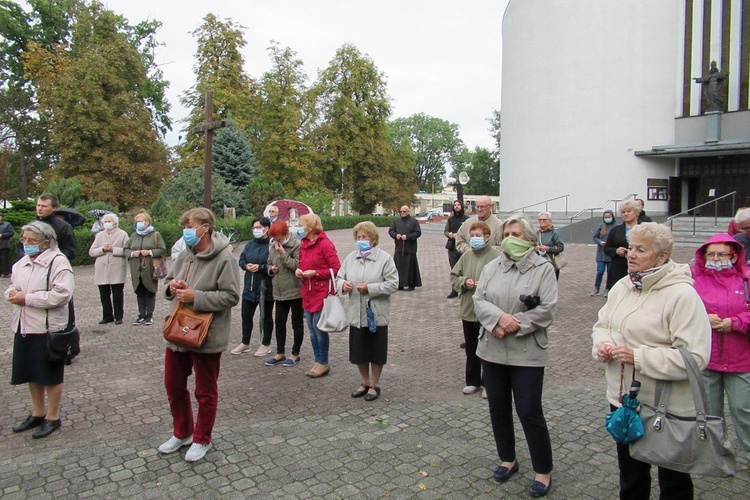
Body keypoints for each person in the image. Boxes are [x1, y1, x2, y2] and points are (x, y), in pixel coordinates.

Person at [592, 223, 711, 499]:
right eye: (631, 247)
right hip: (625, 401)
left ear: (662, 257)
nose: (631, 254)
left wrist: (638, 356)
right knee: (631, 474)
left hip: (666, 407)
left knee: (673, 479)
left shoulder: (682, 295)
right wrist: (602, 345)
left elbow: (695, 357)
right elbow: (603, 324)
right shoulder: (623, 285)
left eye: (640, 250)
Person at [473, 214, 557, 498]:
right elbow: (479, 300)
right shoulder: (493, 266)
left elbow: (547, 309)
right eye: (507, 234)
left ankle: (543, 470)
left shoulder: (543, 268)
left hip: (527, 352)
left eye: (517, 234)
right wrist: (497, 320)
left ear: (531, 240)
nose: (510, 239)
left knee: (529, 411)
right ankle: (507, 459)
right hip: (492, 349)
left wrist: (515, 324)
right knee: (497, 407)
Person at [159, 208, 241, 462]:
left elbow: (231, 296)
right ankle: (182, 432)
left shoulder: (225, 259)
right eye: (185, 225)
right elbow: (169, 282)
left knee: (205, 391)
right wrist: (172, 287)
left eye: (190, 225)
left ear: (206, 227)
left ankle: (202, 438)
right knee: (173, 385)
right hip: (178, 330)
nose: (186, 231)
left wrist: (197, 296)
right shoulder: (185, 254)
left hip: (207, 333)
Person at [6, 221, 74, 439]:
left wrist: (27, 298)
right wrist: (11, 294)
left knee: (50, 374)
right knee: (31, 373)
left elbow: (62, 295)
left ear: (46, 242)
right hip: (24, 326)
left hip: (47, 329)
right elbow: (13, 285)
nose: (26, 244)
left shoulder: (58, 262)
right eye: (24, 239)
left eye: (31, 241)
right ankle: (38, 413)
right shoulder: (21, 263)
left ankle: (53, 417)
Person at [691, 233, 750, 467]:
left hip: (740, 357)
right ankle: (717, 455)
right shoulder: (694, 279)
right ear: (704, 256)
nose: (716, 258)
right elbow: (684, 310)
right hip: (708, 356)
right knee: (710, 413)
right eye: (711, 254)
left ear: (734, 255)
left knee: (743, 410)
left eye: (722, 254)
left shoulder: (745, 279)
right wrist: (703, 318)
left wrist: (733, 322)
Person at [336, 221, 398, 402]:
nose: (361, 240)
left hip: (376, 314)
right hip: (356, 313)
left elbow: (393, 283)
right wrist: (343, 285)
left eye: (365, 237)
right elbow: (339, 278)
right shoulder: (350, 258)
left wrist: (371, 288)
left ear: (374, 239)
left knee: (376, 350)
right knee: (359, 351)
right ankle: (364, 382)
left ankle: (375, 384)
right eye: (358, 237)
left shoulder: (384, 259)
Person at [450, 221, 501, 396]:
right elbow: (454, 277)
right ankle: (473, 381)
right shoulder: (467, 256)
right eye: (473, 236)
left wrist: (485, 286)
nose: (475, 239)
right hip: (469, 309)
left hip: (488, 311)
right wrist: (465, 282)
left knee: (488, 349)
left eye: (478, 235)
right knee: (471, 348)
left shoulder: (496, 256)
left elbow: (503, 282)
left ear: (487, 237)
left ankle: (489, 383)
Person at [295, 213, 341, 378]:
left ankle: (324, 362)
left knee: (319, 328)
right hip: (307, 292)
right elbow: (301, 263)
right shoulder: (304, 243)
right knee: (312, 329)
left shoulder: (325, 244)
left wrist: (316, 273)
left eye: (301, 225)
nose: (299, 228)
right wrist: (298, 271)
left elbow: (336, 269)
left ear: (311, 227)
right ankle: (317, 360)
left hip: (321, 293)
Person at [231, 217, 274, 357]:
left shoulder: (272, 245)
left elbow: (274, 265)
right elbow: (242, 259)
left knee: (266, 316)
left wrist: (261, 267)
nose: (255, 230)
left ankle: (265, 343)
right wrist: (245, 265)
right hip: (249, 287)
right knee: (246, 315)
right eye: (254, 228)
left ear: (266, 228)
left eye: (258, 227)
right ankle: (245, 343)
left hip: (265, 286)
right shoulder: (249, 244)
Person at [264, 221, 304, 367]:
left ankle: (295, 354)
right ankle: (280, 352)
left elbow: (298, 266)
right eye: (275, 239)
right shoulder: (272, 245)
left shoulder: (297, 245)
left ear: (287, 234)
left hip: (295, 290)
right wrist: (271, 269)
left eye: (280, 239)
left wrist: (283, 253)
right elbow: (268, 262)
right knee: (280, 322)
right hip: (279, 291)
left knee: (296, 323)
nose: (277, 242)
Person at [125, 209, 166, 325]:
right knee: (139, 291)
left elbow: (162, 250)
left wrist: (149, 252)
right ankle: (141, 315)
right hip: (136, 268)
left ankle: (149, 315)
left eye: (140, 221)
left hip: (149, 268)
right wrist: (133, 254)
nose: (138, 223)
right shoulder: (133, 236)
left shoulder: (155, 235)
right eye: (136, 221)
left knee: (150, 291)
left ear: (147, 222)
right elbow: (126, 249)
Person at [88, 213, 128, 325]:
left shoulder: (123, 234)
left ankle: (119, 316)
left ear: (115, 223)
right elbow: (92, 252)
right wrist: (103, 249)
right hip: (102, 268)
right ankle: (107, 316)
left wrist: (113, 249)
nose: (107, 224)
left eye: (109, 221)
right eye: (105, 222)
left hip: (116, 268)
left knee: (117, 294)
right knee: (104, 294)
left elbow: (127, 251)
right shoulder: (99, 235)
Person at [603, 200, 641, 292]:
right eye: (623, 212)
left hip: (639, 268)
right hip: (619, 269)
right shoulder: (615, 230)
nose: (626, 214)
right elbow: (607, 248)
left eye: (629, 211)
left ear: (636, 213)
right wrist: (616, 251)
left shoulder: (644, 229)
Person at [388, 205, 422, 291]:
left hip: (410, 248)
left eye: (404, 211)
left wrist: (407, 237)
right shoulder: (396, 222)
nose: (402, 213)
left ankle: (411, 284)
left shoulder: (414, 222)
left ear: (408, 212)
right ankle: (400, 284)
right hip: (399, 248)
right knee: (398, 266)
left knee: (410, 266)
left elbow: (418, 233)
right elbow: (391, 231)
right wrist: (396, 235)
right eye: (401, 211)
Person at [35, 194, 77, 261]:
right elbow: (21, 246)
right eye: (38, 205)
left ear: (54, 208)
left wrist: (49, 257)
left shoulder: (64, 226)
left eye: (44, 206)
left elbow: (70, 251)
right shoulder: (31, 225)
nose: (40, 209)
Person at [444, 200, 468, 298]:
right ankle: (454, 290)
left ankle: (464, 289)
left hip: (463, 248)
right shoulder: (450, 220)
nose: (456, 207)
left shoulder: (467, 219)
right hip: (452, 248)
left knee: (464, 269)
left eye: (458, 205)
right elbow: (446, 231)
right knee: (454, 269)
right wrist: (449, 234)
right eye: (455, 205)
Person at [591, 210, 616, 296]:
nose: (607, 219)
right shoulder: (601, 226)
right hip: (601, 254)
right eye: (605, 217)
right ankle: (596, 288)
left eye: (609, 217)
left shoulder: (616, 226)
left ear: (612, 217)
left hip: (611, 255)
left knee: (610, 272)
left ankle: (608, 289)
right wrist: (600, 242)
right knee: (600, 271)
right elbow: (595, 237)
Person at [535, 212, 564, 281]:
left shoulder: (554, 233)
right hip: (539, 262)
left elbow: (561, 247)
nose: (542, 221)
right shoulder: (537, 233)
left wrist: (548, 248)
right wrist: (535, 248)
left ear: (550, 221)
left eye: (544, 220)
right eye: (540, 220)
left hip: (552, 263)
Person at [0, 212, 14, 278]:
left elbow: (11, 233)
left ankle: (4, 273)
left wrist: (2, 235)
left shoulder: (7, 224)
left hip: (4, 245)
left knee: (4, 260)